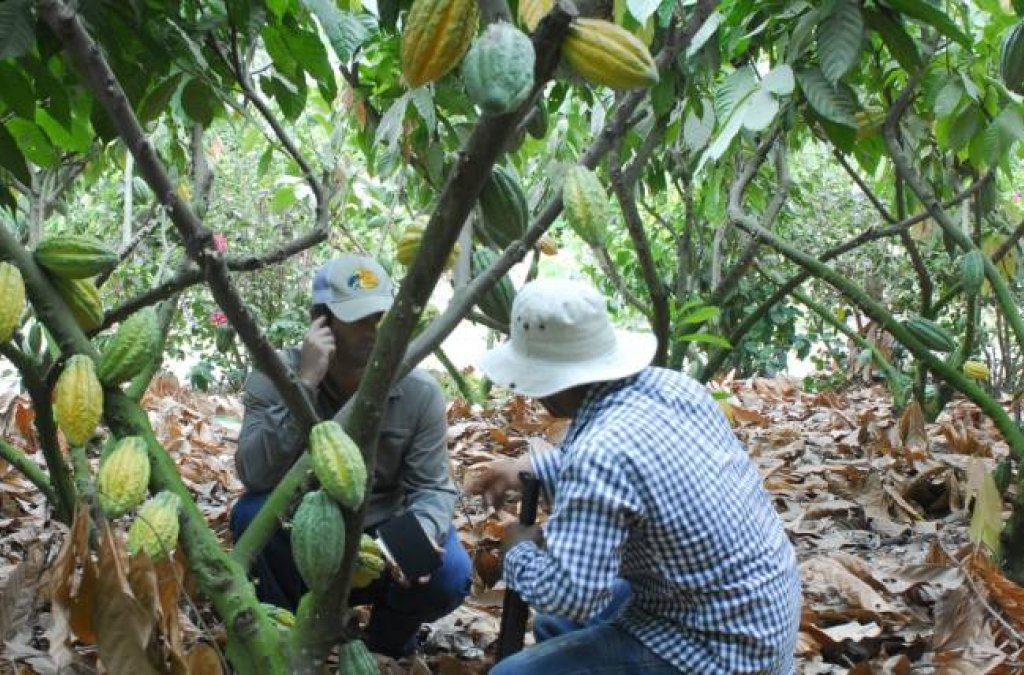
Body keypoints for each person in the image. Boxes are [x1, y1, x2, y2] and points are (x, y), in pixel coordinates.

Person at [466, 278, 800, 674]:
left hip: (720, 652)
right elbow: (628, 479)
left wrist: (518, 552)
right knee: (556, 625)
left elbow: (573, 595)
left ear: (549, 383)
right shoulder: (672, 387)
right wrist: (530, 468)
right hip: (760, 615)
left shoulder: (600, 452)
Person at [231, 253, 472, 658]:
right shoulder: (275, 375)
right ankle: (289, 636)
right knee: (252, 515)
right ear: (321, 322)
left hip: (385, 530)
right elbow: (255, 474)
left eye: (381, 316)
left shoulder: (418, 390)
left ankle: (384, 646)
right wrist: (304, 385)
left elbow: (433, 488)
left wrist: (421, 535)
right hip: (304, 525)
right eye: (360, 318)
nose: (375, 329)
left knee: (449, 572)